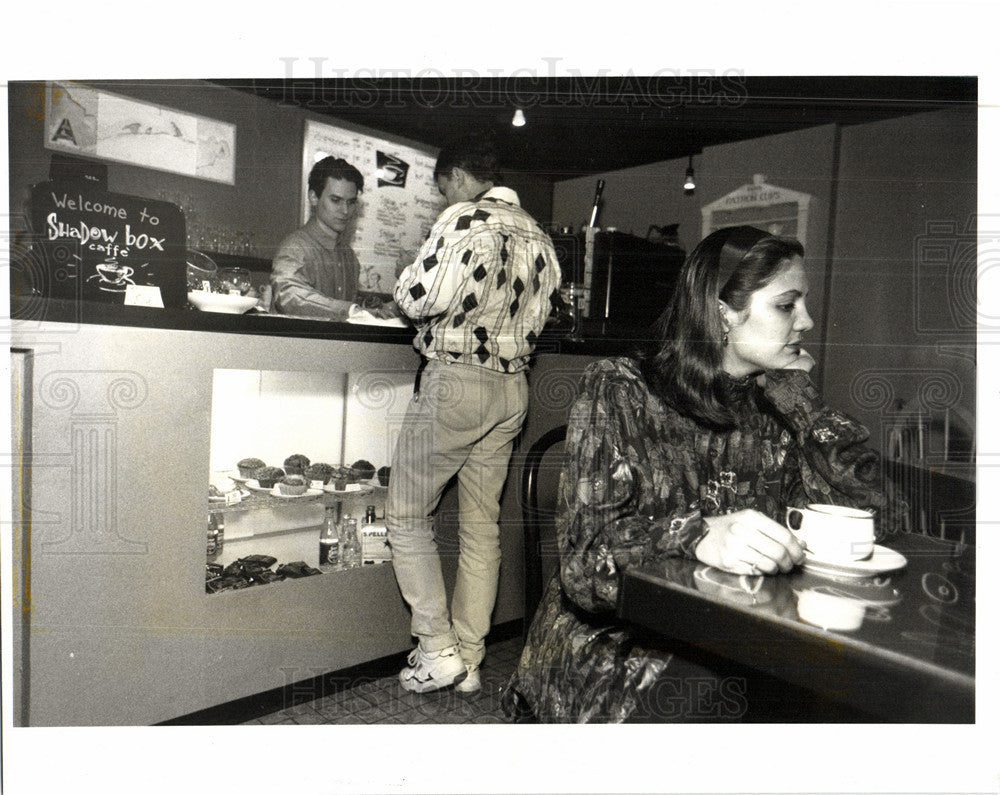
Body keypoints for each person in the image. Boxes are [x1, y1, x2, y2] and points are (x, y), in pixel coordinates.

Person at [502, 225, 906, 723]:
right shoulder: (621, 388)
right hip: (615, 647)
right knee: (733, 701)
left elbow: (878, 521)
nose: (807, 321)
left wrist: (803, 405)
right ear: (722, 313)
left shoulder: (776, 406)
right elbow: (584, 567)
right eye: (786, 305)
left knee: (838, 701)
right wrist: (694, 534)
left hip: (736, 634)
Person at [386, 134, 562, 695]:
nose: (443, 200)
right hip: (513, 390)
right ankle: (471, 656)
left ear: (459, 177)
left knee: (407, 514)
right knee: (481, 525)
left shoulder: (464, 219)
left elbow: (417, 296)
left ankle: (436, 648)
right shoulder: (539, 234)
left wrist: (409, 270)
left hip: (457, 382)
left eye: (442, 189)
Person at [270, 156, 397, 321]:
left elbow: (340, 304)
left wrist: (366, 307)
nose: (345, 211)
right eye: (335, 200)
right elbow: (288, 294)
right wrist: (350, 310)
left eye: (351, 202)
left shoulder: (349, 256)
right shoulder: (295, 247)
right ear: (314, 197)